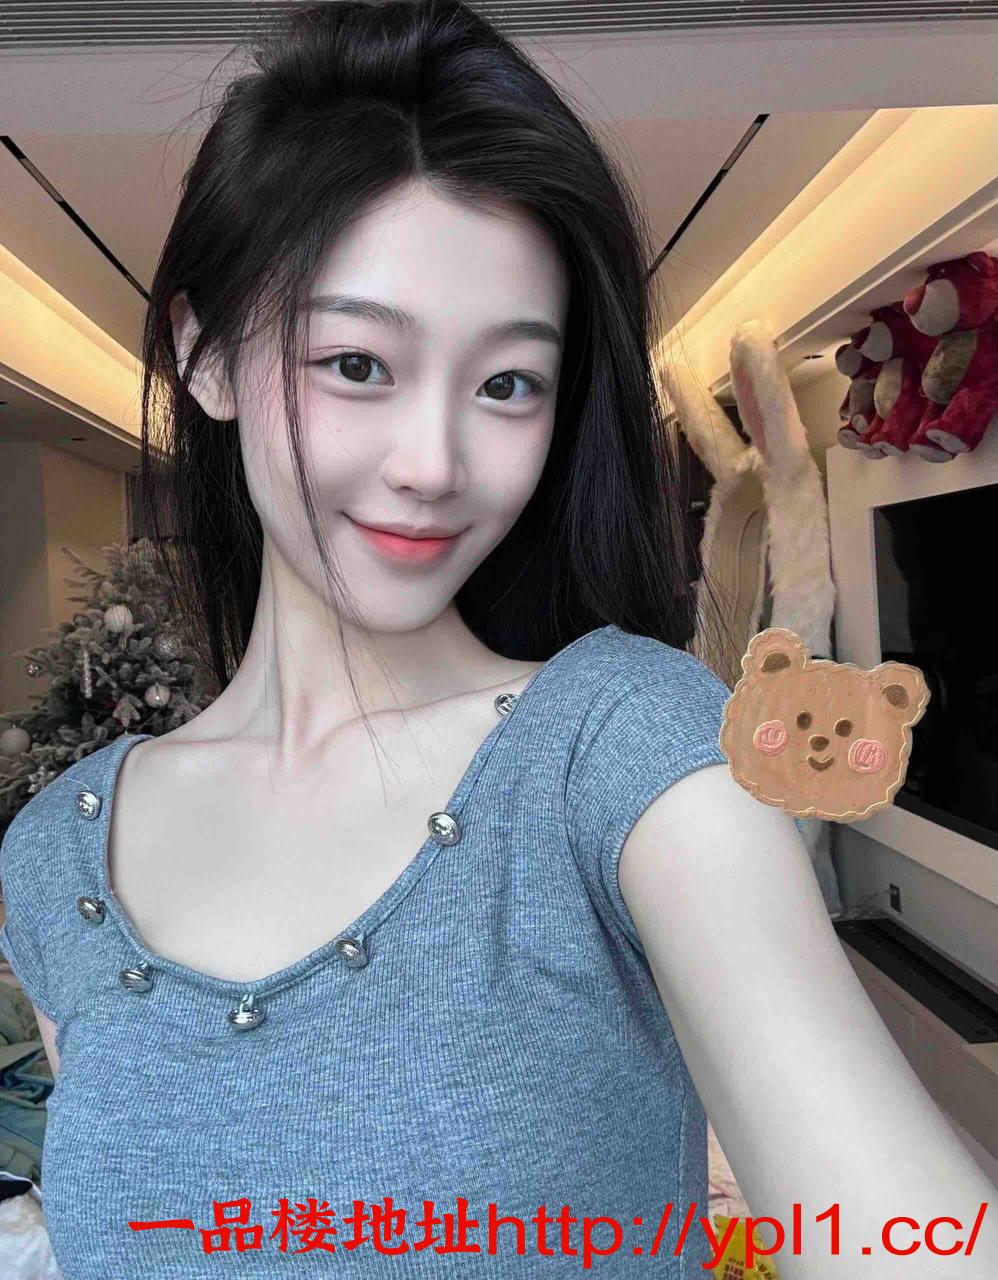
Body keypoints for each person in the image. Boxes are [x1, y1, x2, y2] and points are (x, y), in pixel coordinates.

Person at [0, 2, 994, 1277]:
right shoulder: (55, 857)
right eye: (357, 363)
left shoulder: (622, 751)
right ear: (205, 356)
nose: (434, 463)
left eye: (506, 383)